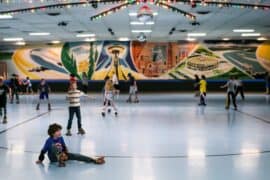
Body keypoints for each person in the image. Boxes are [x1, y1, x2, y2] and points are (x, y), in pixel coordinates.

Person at [36, 123, 105, 167]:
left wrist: (66, 153)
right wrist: (40, 160)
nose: (60, 132)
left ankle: (94, 160)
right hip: (53, 158)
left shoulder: (61, 138)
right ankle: (60, 160)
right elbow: (43, 151)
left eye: (60, 130)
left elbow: (63, 146)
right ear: (53, 133)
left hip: (63, 155)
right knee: (54, 146)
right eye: (58, 131)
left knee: (76, 155)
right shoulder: (49, 141)